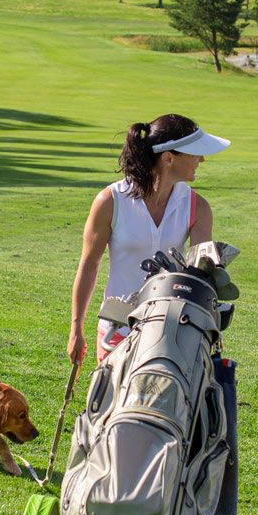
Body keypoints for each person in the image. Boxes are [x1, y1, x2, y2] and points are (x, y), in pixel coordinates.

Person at [69, 114, 227, 369]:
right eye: (195, 153)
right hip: (116, 330)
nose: (202, 159)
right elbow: (89, 264)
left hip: (171, 333)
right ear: (168, 158)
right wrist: (76, 327)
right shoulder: (110, 201)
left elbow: (201, 277)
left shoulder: (198, 208)